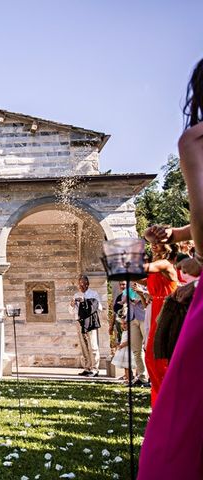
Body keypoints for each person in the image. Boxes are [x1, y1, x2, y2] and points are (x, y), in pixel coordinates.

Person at [138, 57, 203, 479]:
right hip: (163, 303)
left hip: (178, 304)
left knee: (184, 422)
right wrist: (179, 236)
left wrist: (176, 251)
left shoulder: (197, 141)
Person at [139, 242, 178, 406]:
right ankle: (161, 400)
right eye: (152, 243)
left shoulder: (164, 264)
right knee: (151, 357)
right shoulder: (156, 266)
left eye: (158, 243)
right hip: (155, 308)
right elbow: (141, 277)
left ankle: (169, 399)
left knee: (160, 357)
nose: (153, 245)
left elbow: (146, 268)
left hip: (167, 310)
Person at [113, 280, 148, 386]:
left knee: (147, 348)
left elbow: (146, 303)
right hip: (132, 319)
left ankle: (151, 377)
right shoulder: (128, 289)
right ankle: (142, 378)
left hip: (144, 317)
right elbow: (121, 304)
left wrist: (140, 293)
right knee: (136, 350)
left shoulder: (146, 286)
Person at [70, 275, 103, 377]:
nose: (81, 286)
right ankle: (87, 367)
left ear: (88, 284)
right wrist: (72, 305)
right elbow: (71, 312)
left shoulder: (94, 294)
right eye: (80, 285)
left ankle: (95, 369)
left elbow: (100, 307)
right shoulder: (76, 295)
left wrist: (85, 301)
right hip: (79, 322)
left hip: (90, 322)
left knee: (93, 345)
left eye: (83, 284)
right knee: (83, 346)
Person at [111, 318, 135, 383]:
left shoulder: (131, 332)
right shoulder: (124, 332)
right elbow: (123, 340)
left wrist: (122, 345)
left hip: (128, 350)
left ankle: (130, 378)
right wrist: (118, 344)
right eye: (122, 324)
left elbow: (129, 341)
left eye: (125, 324)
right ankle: (127, 378)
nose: (123, 325)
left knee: (128, 366)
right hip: (124, 350)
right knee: (125, 366)